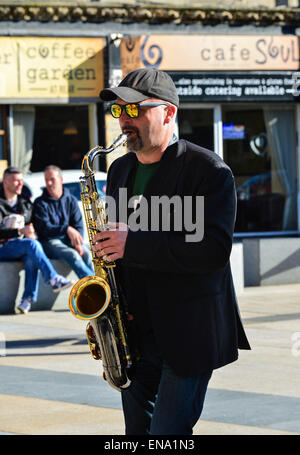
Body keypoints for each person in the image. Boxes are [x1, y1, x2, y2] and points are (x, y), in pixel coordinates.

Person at [93, 68, 251, 435]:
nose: (125, 121)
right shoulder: (119, 170)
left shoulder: (209, 171)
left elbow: (212, 250)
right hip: (134, 336)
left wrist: (134, 243)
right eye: (120, 112)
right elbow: (119, 249)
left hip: (187, 333)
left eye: (135, 110)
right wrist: (106, 321)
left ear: (168, 113)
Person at [0, 166, 74, 314]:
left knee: (30, 257)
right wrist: (19, 231)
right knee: (31, 245)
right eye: (16, 181)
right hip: (3, 248)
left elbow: (35, 228)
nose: (21, 184)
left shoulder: (26, 204)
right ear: (5, 183)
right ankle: (53, 278)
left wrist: (33, 234)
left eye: (21, 180)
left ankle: (26, 300)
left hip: (22, 247)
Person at [32, 165, 94, 279]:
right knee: (73, 255)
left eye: (52, 179)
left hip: (68, 241)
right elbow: (45, 229)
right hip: (49, 242)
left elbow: (78, 225)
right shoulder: (39, 203)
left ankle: (100, 286)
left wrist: (77, 243)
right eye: (46, 180)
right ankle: (94, 286)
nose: (49, 183)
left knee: (87, 253)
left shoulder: (71, 200)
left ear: (61, 180)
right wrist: (66, 229)